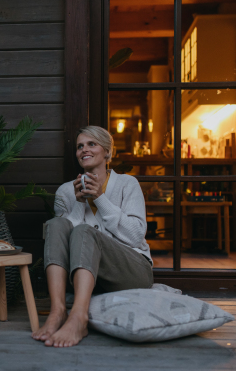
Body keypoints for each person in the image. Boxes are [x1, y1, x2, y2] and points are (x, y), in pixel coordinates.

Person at [31, 126, 153, 347]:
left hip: (132, 272)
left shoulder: (128, 184)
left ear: (107, 152)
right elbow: (66, 243)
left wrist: (100, 199)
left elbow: (135, 236)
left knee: (87, 231)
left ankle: (79, 317)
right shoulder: (66, 191)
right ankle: (57, 311)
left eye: (91, 144)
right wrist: (80, 205)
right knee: (56, 224)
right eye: (80, 146)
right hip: (85, 277)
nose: (83, 150)